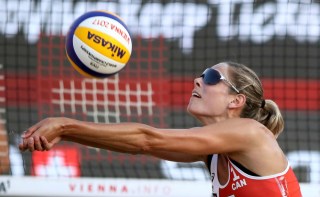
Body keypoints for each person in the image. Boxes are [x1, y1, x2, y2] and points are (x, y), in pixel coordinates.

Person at [19, 62, 302, 196]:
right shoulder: (215, 154)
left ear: (236, 100)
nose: (197, 80)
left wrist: (66, 126)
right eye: (201, 74)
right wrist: (66, 132)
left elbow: (147, 140)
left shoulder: (250, 133)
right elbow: (138, 147)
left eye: (212, 77)